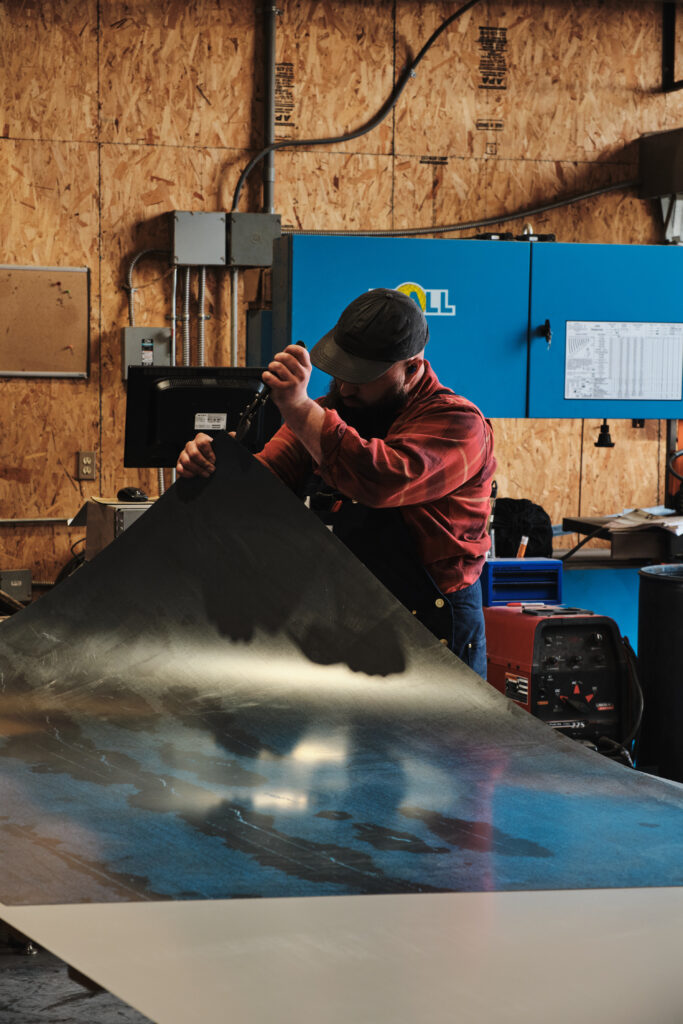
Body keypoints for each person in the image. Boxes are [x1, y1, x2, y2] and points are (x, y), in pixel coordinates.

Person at [177, 288, 496, 676]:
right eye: (340, 373)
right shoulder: (334, 412)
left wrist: (297, 407)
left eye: (361, 378)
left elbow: (379, 478)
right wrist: (213, 470)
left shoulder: (457, 424)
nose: (344, 388)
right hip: (353, 618)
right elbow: (267, 481)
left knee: (437, 738)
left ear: (411, 368)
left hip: (432, 624)